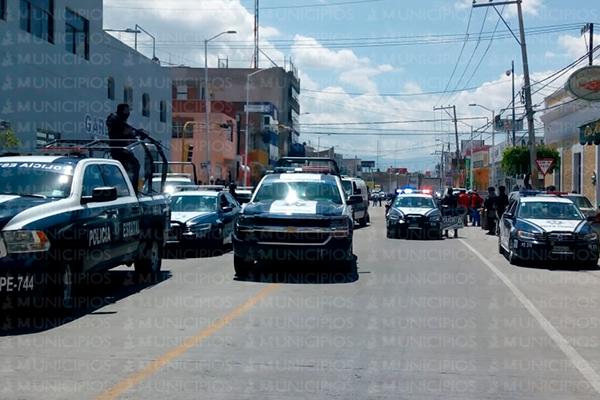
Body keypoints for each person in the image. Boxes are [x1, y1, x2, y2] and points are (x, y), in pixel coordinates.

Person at [106, 103, 146, 192]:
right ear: (123, 110)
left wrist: (137, 135)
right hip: (118, 150)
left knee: (133, 166)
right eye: (127, 111)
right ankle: (132, 190)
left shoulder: (120, 120)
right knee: (132, 166)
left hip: (123, 149)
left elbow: (128, 134)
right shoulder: (114, 119)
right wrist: (135, 134)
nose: (128, 113)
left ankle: (130, 189)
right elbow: (124, 133)